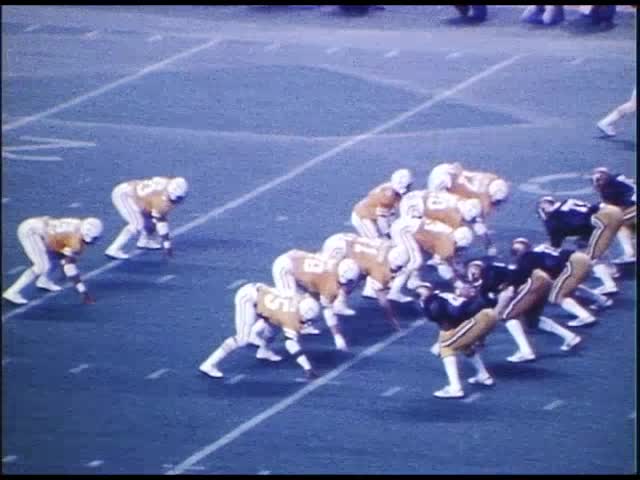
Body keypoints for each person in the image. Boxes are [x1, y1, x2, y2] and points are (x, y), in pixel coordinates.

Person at [466, 255, 581, 362]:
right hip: (540, 281)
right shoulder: (489, 276)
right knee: (532, 319)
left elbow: (508, 293)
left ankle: (526, 351)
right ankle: (570, 337)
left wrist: (496, 315)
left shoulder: (488, 273)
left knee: (507, 316)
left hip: (533, 281)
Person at [199, 283, 321, 380]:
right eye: (307, 320)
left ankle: (263, 350)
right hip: (248, 298)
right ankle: (209, 364)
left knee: (275, 326)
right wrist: (308, 368)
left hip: (261, 294)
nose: (307, 323)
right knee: (242, 339)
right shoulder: (290, 318)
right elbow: (291, 344)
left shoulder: (299, 301)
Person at [418, 281, 512, 399]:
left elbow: (449, 322)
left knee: (446, 347)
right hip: (486, 315)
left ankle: (455, 388)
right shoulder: (441, 296)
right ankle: (483, 375)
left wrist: (440, 344)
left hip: (480, 317)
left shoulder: (431, 303)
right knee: (463, 343)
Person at [271, 249, 361, 351]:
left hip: (294, 262)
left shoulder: (335, 264)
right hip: (285, 269)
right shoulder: (330, 286)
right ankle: (265, 333)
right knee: (290, 304)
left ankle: (302, 325)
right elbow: (328, 311)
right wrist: (337, 336)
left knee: (308, 300)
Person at [3, 216, 103, 305]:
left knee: (57, 257)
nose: (95, 241)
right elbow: (70, 269)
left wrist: (60, 250)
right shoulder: (75, 243)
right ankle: (12, 292)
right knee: (42, 266)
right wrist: (83, 292)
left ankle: (44, 281)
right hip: (32, 232)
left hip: (38, 227)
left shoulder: (77, 224)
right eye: (94, 238)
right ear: (87, 234)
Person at [510, 238, 609, 327]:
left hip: (572, 266)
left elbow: (523, 282)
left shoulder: (526, 259)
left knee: (557, 296)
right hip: (580, 259)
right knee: (565, 286)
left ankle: (585, 316)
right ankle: (601, 300)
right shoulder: (541, 249)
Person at [321, 233, 412, 330]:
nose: (396, 270)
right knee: (340, 277)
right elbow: (382, 298)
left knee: (355, 276)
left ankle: (337, 301)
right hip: (338, 247)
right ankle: (328, 303)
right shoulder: (379, 267)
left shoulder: (390, 248)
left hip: (343, 239)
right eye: (397, 267)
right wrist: (391, 318)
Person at [537, 196, 624, 295]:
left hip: (596, 225)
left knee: (589, 255)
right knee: (589, 244)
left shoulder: (554, 220)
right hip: (603, 216)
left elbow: (555, 246)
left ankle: (609, 285)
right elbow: (591, 208)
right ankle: (611, 270)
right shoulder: (568, 201)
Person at [105, 176, 188, 259]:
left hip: (136, 193)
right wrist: (167, 245)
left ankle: (145, 241)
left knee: (150, 215)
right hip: (125, 195)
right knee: (137, 224)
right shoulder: (161, 202)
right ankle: (113, 249)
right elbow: (161, 222)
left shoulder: (168, 183)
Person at [351, 169, 413, 239]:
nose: (409, 188)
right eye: (408, 186)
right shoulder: (388, 196)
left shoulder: (392, 191)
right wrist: (388, 233)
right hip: (362, 216)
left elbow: (390, 213)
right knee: (376, 241)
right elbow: (382, 219)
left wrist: (392, 227)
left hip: (372, 215)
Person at [591, 167, 636, 262]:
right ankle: (631, 251)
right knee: (626, 225)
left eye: (598, 180)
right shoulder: (618, 178)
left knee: (620, 223)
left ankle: (630, 253)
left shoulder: (608, 188)